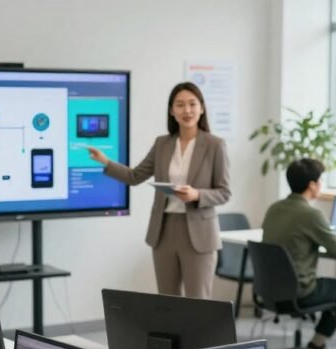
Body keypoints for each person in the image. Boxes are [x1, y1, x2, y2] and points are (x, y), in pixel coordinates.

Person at [87, 82, 231, 299]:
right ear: (172, 111)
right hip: (164, 231)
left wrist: (197, 195)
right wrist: (105, 162)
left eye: (192, 104)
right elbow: (135, 176)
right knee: (167, 302)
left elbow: (224, 191)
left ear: (202, 108)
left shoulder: (215, 145)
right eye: (180, 105)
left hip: (199, 233)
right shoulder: (162, 144)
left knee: (199, 302)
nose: (187, 110)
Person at [262, 158, 336, 349]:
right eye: (320, 180)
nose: (321, 184)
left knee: (334, 286)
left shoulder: (273, 208)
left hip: (270, 291)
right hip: (301, 292)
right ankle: (315, 347)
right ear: (312, 185)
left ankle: (314, 348)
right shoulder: (311, 214)